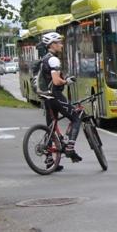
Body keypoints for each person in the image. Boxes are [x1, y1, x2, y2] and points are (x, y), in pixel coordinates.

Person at [40, 32, 82, 166]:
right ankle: (70, 148)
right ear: (52, 45)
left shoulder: (44, 59)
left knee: (50, 127)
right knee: (76, 116)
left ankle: (49, 160)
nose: (61, 45)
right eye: (59, 42)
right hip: (56, 96)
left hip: (46, 98)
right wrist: (66, 81)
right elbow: (56, 81)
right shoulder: (53, 59)